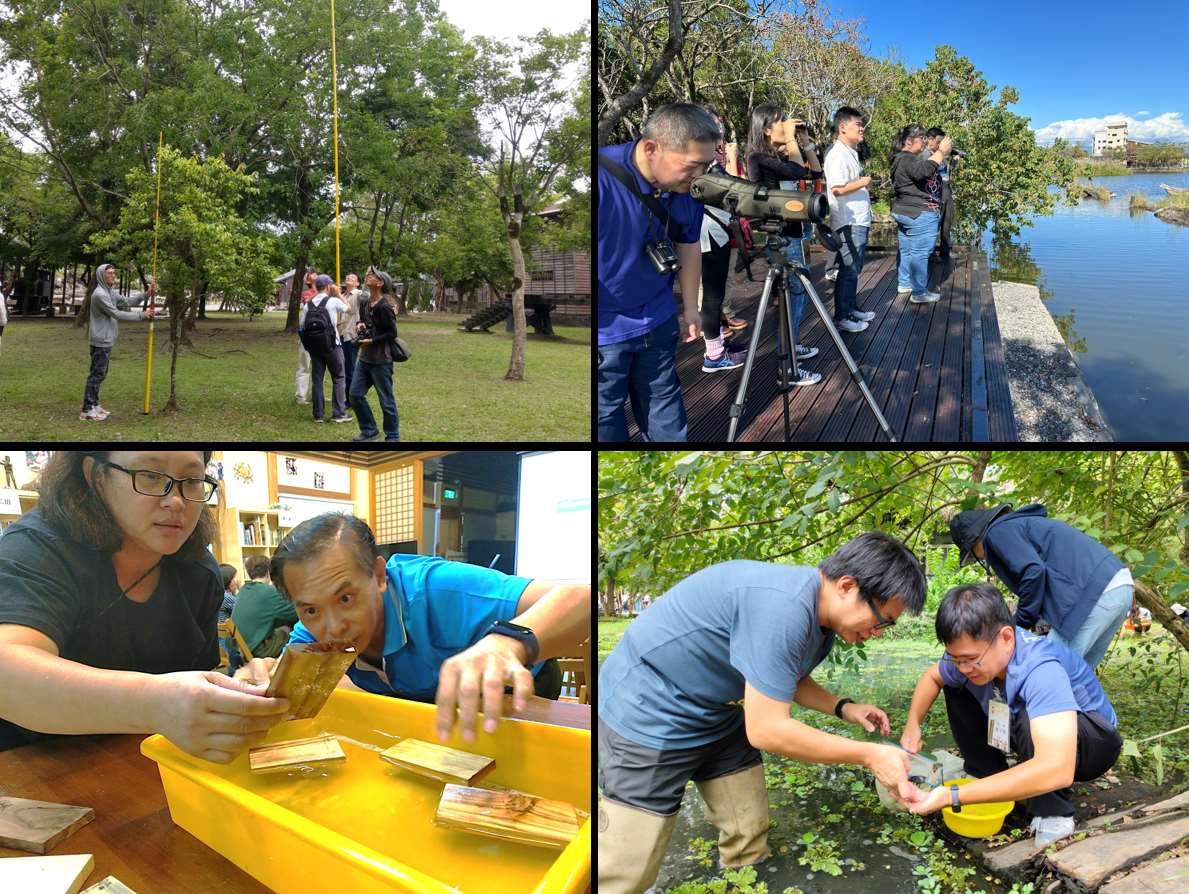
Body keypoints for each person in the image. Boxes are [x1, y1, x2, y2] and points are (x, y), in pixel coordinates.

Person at [598, 532, 928, 894]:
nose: (878, 632)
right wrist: (870, 754)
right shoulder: (782, 608)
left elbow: (783, 677)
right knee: (627, 867)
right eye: (882, 620)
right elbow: (767, 730)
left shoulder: (823, 621)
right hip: (651, 709)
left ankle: (743, 882)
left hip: (718, 714)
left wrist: (844, 707)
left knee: (748, 828)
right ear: (847, 586)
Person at [0, 450, 290, 758]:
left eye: (191, 481)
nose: (176, 500)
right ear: (95, 476)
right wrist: (153, 703)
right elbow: (8, 671)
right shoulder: (38, 547)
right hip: (31, 768)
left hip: (150, 762)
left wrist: (235, 690)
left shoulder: (197, 569)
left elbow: (193, 679)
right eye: (151, 476)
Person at [233, 512, 591, 742]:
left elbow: (581, 599)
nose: (333, 628)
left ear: (378, 575)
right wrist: (265, 674)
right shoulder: (313, 633)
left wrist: (507, 644)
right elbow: (288, 674)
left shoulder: (441, 588)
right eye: (310, 609)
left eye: (345, 599)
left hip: (513, 687)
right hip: (424, 706)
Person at [899, 583, 1122, 844]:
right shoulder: (968, 662)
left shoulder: (1040, 668)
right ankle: (987, 776)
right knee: (955, 686)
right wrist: (912, 725)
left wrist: (953, 796)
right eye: (955, 658)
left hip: (1092, 745)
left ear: (1006, 638)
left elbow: (1057, 768)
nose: (964, 667)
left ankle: (1054, 813)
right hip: (1042, 736)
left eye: (971, 658)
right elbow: (933, 677)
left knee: (1030, 714)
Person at [597, 103, 716, 442]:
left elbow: (689, 243)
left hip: (658, 320)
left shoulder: (685, 188)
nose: (699, 175)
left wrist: (691, 307)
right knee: (605, 424)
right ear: (652, 149)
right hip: (607, 333)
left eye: (705, 165)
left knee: (668, 423)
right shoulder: (603, 178)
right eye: (693, 165)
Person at [948, 504, 1133, 668]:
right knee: (1079, 678)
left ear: (974, 539)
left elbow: (1033, 572)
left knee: (1049, 671)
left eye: (973, 555)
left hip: (1094, 595)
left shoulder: (997, 532)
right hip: (1119, 586)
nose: (979, 558)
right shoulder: (1018, 525)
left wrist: (1018, 625)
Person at [746, 104, 824, 383]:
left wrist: (806, 143)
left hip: (797, 233)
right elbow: (796, 173)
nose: (787, 125)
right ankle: (788, 369)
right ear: (767, 129)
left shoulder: (778, 156)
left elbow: (814, 174)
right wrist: (792, 140)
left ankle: (793, 344)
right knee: (793, 299)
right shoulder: (758, 158)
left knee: (799, 297)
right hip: (784, 238)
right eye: (782, 122)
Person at [695, 105, 746, 373]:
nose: (720, 131)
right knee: (712, 297)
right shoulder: (705, 162)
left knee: (718, 293)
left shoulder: (713, 159)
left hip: (718, 230)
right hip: (709, 233)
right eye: (715, 125)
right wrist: (733, 160)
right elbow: (735, 190)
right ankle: (713, 354)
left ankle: (719, 346)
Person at [81, 264, 160, 421]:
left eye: (113, 273)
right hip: (100, 340)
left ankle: (94, 404)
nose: (112, 275)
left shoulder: (109, 292)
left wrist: (147, 294)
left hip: (107, 339)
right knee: (96, 375)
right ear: (101, 276)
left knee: (100, 374)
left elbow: (126, 302)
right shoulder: (99, 295)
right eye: (109, 273)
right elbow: (116, 313)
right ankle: (87, 410)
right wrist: (142, 315)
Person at [824, 107, 877, 333]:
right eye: (858, 124)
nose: (862, 128)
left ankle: (851, 308)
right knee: (848, 269)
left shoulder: (849, 151)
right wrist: (864, 182)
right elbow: (836, 189)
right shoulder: (837, 153)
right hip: (848, 221)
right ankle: (842, 317)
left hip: (858, 219)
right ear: (843, 127)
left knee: (855, 268)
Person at [889, 124, 952, 304]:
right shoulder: (908, 159)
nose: (924, 141)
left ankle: (905, 283)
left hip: (906, 211)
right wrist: (941, 152)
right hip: (919, 213)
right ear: (909, 141)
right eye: (921, 138)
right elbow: (922, 171)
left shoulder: (900, 158)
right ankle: (919, 292)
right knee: (920, 253)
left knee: (907, 250)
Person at [350, 267, 401, 442]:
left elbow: (392, 333)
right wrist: (360, 324)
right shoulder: (366, 302)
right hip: (365, 359)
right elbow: (364, 319)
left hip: (381, 360)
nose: (368, 277)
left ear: (380, 283)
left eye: (372, 276)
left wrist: (371, 341)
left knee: (386, 401)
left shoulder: (385, 306)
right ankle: (369, 430)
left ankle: (392, 436)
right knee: (355, 395)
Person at [300, 275, 351, 425]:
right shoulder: (333, 301)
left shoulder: (307, 305)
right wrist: (339, 294)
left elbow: (303, 326)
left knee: (317, 380)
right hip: (332, 346)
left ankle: (318, 415)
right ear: (329, 287)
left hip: (315, 348)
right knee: (339, 378)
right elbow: (349, 309)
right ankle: (339, 413)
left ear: (315, 287)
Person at [230, 555, 297, 660]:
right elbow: (296, 613)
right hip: (258, 649)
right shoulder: (270, 592)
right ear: (269, 572)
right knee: (293, 629)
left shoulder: (243, 591)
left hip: (240, 648)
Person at [923, 128, 955, 259]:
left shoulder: (941, 156)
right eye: (939, 141)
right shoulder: (925, 154)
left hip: (946, 191)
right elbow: (927, 173)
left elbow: (946, 174)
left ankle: (945, 253)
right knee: (933, 225)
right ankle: (929, 256)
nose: (941, 145)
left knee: (946, 224)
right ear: (930, 140)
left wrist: (953, 164)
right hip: (934, 195)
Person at [295, 268, 318, 405]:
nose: (316, 275)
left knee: (320, 365)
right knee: (304, 364)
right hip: (307, 334)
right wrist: (320, 293)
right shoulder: (307, 293)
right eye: (312, 274)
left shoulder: (326, 292)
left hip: (321, 335)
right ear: (308, 280)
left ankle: (317, 394)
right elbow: (308, 302)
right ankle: (301, 396)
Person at [339, 272, 363, 397]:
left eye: (352, 278)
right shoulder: (344, 295)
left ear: (357, 283)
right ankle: (346, 395)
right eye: (347, 277)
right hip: (342, 334)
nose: (348, 278)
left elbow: (352, 310)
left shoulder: (358, 294)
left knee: (350, 368)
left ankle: (351, 397)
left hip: (352, 336)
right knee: (343, 367)